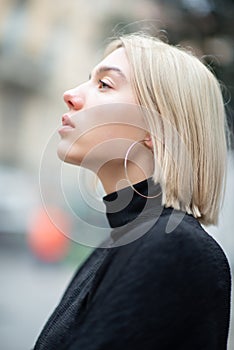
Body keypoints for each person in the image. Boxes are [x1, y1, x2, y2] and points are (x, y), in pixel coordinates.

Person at [34, 33, 231, 349]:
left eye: (105, 85)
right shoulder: (121, 244)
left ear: (158, 128)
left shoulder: (174, 249)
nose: (70, 94)